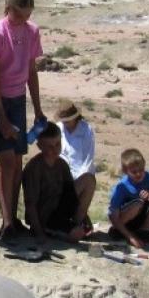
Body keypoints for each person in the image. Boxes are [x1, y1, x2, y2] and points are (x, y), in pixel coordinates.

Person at [0, 0, 45, 240]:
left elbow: (31, 71)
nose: (23, 20)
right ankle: (6, 220)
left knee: (17, 160)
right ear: (8, 9)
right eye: (19, 16)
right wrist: (1, 118)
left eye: (27, 16)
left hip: (18, 99)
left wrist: (38, 108)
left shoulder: (32, 31)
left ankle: (13, 217)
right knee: (6, 160)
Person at [22, 122, 84, 244]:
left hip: (60, 211)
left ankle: (77, 223)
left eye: (57, 144)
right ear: (40, 145)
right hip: (45, 217)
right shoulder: (34, 168)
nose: (55, 149)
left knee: (88, 180)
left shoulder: (62, 165)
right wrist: (39, 232)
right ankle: (51, 230)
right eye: (50, 146)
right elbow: (30, 203)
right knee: (75, 235)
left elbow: (70, 193)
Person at [107, 148, 149, 249]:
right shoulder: (122, 187)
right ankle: (121, 232)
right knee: (137, 204)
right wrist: (131, 238)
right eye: (134, 172)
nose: (139, 174)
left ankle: (143, 232)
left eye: (141, 170)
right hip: (123, 220)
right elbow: (113, 216)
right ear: (126, 171)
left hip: (141, 218)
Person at [54, 99, 95, 234]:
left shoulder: (87, 130)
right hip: (61, 176)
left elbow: (88, 159)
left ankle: (76, 222)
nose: (65, 123)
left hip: (80, 177)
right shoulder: (58, 128)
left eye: (68, 120)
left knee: (89, 180)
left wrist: (75, 180)